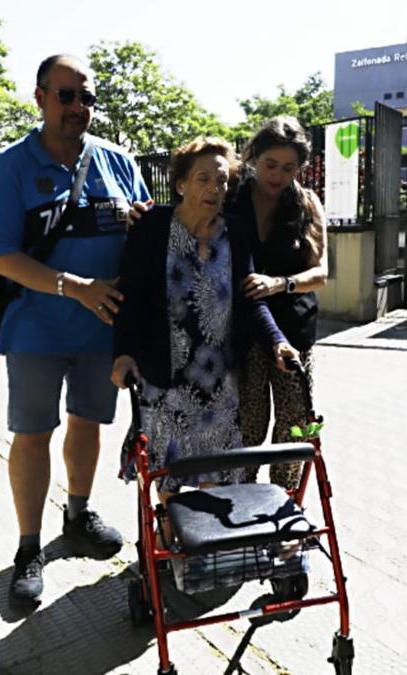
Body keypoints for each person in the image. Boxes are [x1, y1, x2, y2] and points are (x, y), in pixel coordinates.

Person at [0, 54, 151, 604]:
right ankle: (28, 549)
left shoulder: (118, 162)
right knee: (33, 435)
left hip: (103, 330)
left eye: (87, 97)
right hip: (36, 328)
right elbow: (1, 256)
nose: (79, 107)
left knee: (88, 424)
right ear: (40, 98)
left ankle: (77, 517)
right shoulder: (11, 166)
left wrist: (143, 227)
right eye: (66, 96)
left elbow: (143, 236)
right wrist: (73, 286)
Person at [110, 138, 299, 516]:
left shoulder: (236, 232)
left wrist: (278, 341)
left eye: (223, 180)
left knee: (215, 479)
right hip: (163, 380)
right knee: (169, 475)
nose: (215, 188)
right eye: (204, 179)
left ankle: (202, 558)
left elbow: (250, 298)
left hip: (218, 382)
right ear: (181, 184)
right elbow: (129, 297)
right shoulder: (151, 227)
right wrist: (123, 354)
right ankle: (170, 549)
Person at [224, 118, 328, 491]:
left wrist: (279, 284)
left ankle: (282, 509)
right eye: (270, 165)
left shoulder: (306, 202)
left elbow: (320, 273)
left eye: (289, 168)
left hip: (294, 333)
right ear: (254, 157)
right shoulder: (231, 195)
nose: (278, 176)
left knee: (293, 425)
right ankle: (237, 504)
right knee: (247, 423)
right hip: (244, 328)